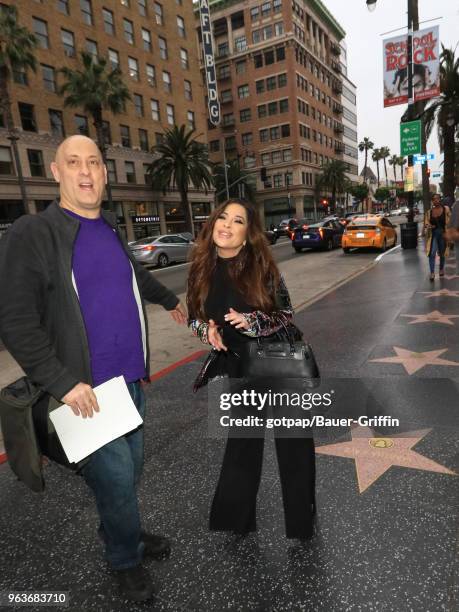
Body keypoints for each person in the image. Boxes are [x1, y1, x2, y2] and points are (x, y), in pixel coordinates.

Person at [0, 135, 187, 602]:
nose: (86, 171)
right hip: (87, 396)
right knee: (119, 481)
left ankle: (123, 533)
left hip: (130, 384)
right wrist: (62, 384)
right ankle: (125, 558)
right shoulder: (35, 233)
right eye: (73, 162)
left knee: (128, 476)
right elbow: (15, 321)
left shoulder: (107, 227)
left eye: (94, 163)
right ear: (56, 172)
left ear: (105, 174)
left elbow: (132, 274)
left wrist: (168, 300)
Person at [187, 199, 316, 540]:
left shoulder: (262, 267)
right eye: (223, 217)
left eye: (238, 220)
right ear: (213, 223)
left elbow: (285, 313)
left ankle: (302, 523)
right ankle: (238, 519)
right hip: (239, 365)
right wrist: (207, 331)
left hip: (280, 361)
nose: (227, 224)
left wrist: (251, 321)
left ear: (247, 234)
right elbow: (193, 316)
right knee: (242, 443)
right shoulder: (200, 268)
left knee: (294, 445)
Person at [422, 193, 451, 281]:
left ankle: (441, 268)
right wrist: (429, 226)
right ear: (432, 201)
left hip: (443, 234)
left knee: (442, 253)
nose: (436, 201)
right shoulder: (429, 212)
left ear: (440, 199)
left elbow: (450, 222)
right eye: (434, 199)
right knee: (432, 253)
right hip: (433, 235)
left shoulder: (446, 210)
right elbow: (426, 223)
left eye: (437, 199)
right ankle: (432, 273)